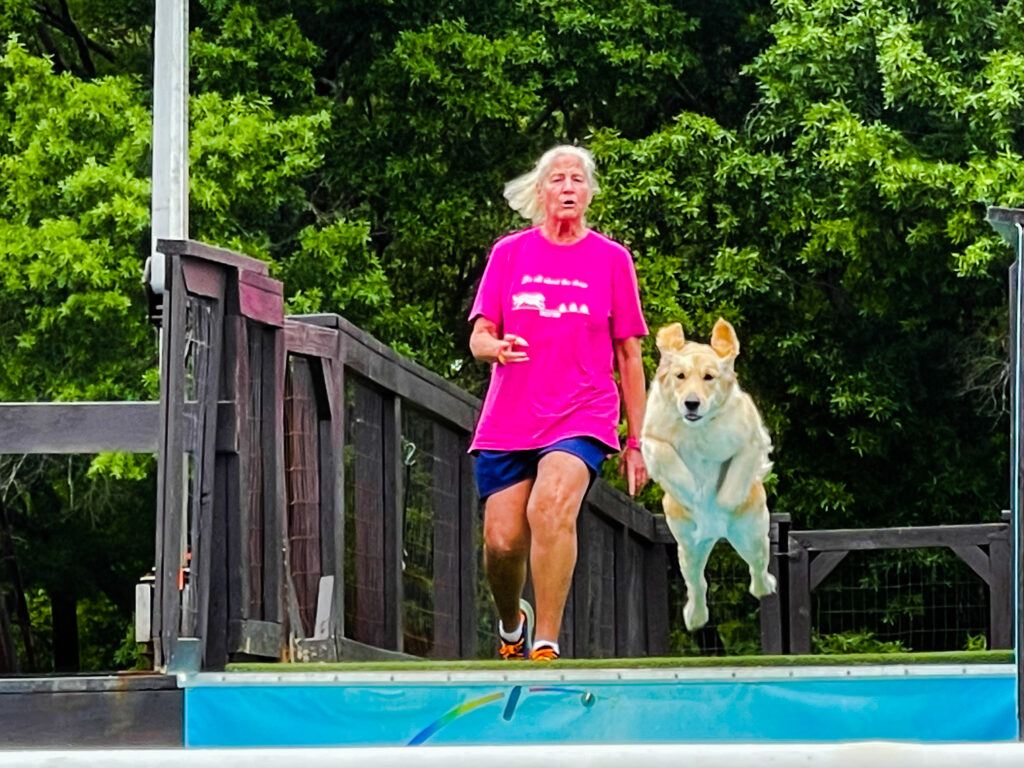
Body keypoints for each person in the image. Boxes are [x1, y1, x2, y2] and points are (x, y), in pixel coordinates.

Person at [468, 145, 649, 662]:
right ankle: (513, 626)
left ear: (589, 193)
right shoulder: (510, 253)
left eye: (577, 179)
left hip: (582, 411)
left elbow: (629, 355)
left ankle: (546, 644)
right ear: (541, 191)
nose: (568, 187)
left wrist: (637, 442)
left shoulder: (612, 260)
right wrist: (495, 347)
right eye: (557, 179)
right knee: (502, 543)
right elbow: (479, 337)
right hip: (510, 418)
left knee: (548, 507)